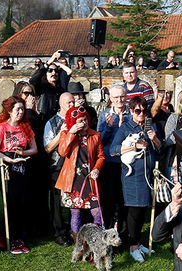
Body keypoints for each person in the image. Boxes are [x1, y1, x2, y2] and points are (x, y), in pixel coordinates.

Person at [109, 96, 160, 262]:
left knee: (143, 209)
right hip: (132, 176)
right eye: (137, 111)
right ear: (131, 111)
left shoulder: (150, 126)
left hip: (148, 175)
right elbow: (113, 149)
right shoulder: (125, 127)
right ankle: (132, 246)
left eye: (144, 111)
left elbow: (161, 148)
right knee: (134, 212)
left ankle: (137, 242)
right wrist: (134, 146)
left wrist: (154, 139)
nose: (141, 114)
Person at [0, 96, 38, 255]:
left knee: (22, 201)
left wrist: (23, 153)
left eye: (22, 109)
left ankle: (21, 235)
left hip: (23, 166)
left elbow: (35, 149)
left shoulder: (26, 127)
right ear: (9, 111)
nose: (21, 112)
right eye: (17, 109)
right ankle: (11, 237)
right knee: (10, 201)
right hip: (7, 167)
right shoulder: (1, 127)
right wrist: (8, 159)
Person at [55, 106, 104, 234]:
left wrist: (97, 169)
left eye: (85, 119)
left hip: (89, 178)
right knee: (76, 212)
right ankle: (78, 241)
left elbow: (101, 156)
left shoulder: (95, 135)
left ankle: (98, 238)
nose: (84, 123)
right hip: (73, 180)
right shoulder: (66, 134)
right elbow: (62, 152)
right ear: (73, 123)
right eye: (80, 121)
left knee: (97, 211)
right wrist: (71, 133)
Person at [44, 92, 76, 245]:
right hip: (58, 165)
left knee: (75, 199)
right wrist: (62, 132)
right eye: (69, 103)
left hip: (75, 164)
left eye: (73, 102)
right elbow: (48, 148)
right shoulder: (52, 122)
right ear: (61, 104)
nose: (72, 105)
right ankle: (59, 232)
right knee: (57, 201)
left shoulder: (78, 118)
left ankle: (74, 229)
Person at [97, 84, 129, 233]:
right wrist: (109, 127)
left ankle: (123, 231)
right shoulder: (104, 115)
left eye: (122, 96)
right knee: (109, 199)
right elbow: (99, 141)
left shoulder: (131, 113)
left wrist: (123, 128)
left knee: (124, 199)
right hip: (110, 162)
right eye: (116, 97)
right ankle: (108, 231)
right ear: (110, 98)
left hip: (127, 161)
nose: (119, 100)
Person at [30, 51, 71, 124]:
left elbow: (69, 72)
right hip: (43, 121)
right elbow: (32, 80)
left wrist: (59, 64)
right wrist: (49, 62)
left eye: (56, 71)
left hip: (58, 123)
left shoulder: (61, 87)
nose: (53, 73)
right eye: (50, 71)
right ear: (45, 74)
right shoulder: (41, 87)